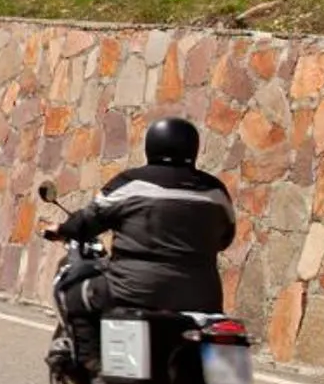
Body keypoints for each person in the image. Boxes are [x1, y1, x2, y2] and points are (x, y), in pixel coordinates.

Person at [43, 116, 236, 345]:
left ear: (151, 146)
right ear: (193, 148)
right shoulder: (216, 192)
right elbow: (226, 237)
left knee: (73, 293)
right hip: (202, 297)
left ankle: (91, 364)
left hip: (133, 290)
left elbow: (88, 220)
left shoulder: (130, 184)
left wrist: (63, 229)